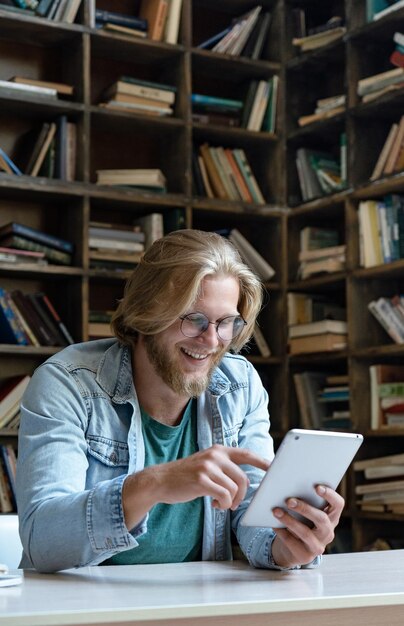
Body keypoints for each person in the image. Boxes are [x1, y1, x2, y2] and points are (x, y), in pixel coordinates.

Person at [16, 229, 344, 573]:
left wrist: (288, 547)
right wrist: (155, 483)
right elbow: (43, 542)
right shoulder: (67, 383)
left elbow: (255, 512)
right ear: (146, 313)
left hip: (196, 606)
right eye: (194, 319)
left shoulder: (240, 384)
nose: (212, 340)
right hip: (82, 609)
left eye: (226, 322)